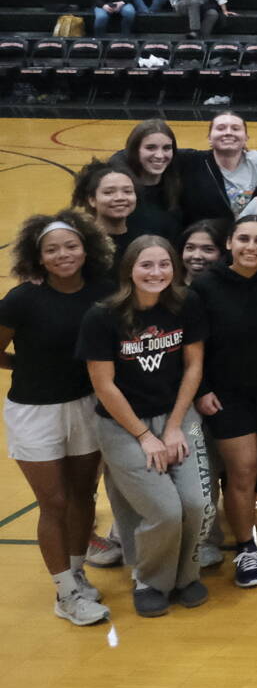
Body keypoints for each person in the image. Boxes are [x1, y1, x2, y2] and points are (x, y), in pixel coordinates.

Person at [78, 235, 211, 616]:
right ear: (129, 270)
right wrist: (144, 435)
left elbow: (194, 367)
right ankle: (150, 580)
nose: (156, 273)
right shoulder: (103, 316)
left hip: (179, 415)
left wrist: (173, 428)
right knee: (165, 510)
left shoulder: (187, 304)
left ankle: (186, 576)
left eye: (164, 264)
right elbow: (103, 385)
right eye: (146, 265)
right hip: (124, 425)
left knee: (198, 504)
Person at [1, 212, 115, 624]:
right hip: (34, 411)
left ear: (86, 248)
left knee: (84, 496)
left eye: (70, 246)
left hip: (86, 406)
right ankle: (65, 592)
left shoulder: (105, 292)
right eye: (52, 249)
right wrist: (25, 367)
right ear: (38, 256)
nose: (63, 254)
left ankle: (77, 572)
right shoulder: (21, 299)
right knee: (53, 503)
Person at [189, 214, 257, 588]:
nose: (251, 247)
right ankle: (245, 548)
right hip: (228, 397)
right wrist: (203, 389)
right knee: (241, 472)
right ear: (229, 244)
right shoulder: (205, 287)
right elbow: (194, 347)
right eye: (244, 239)